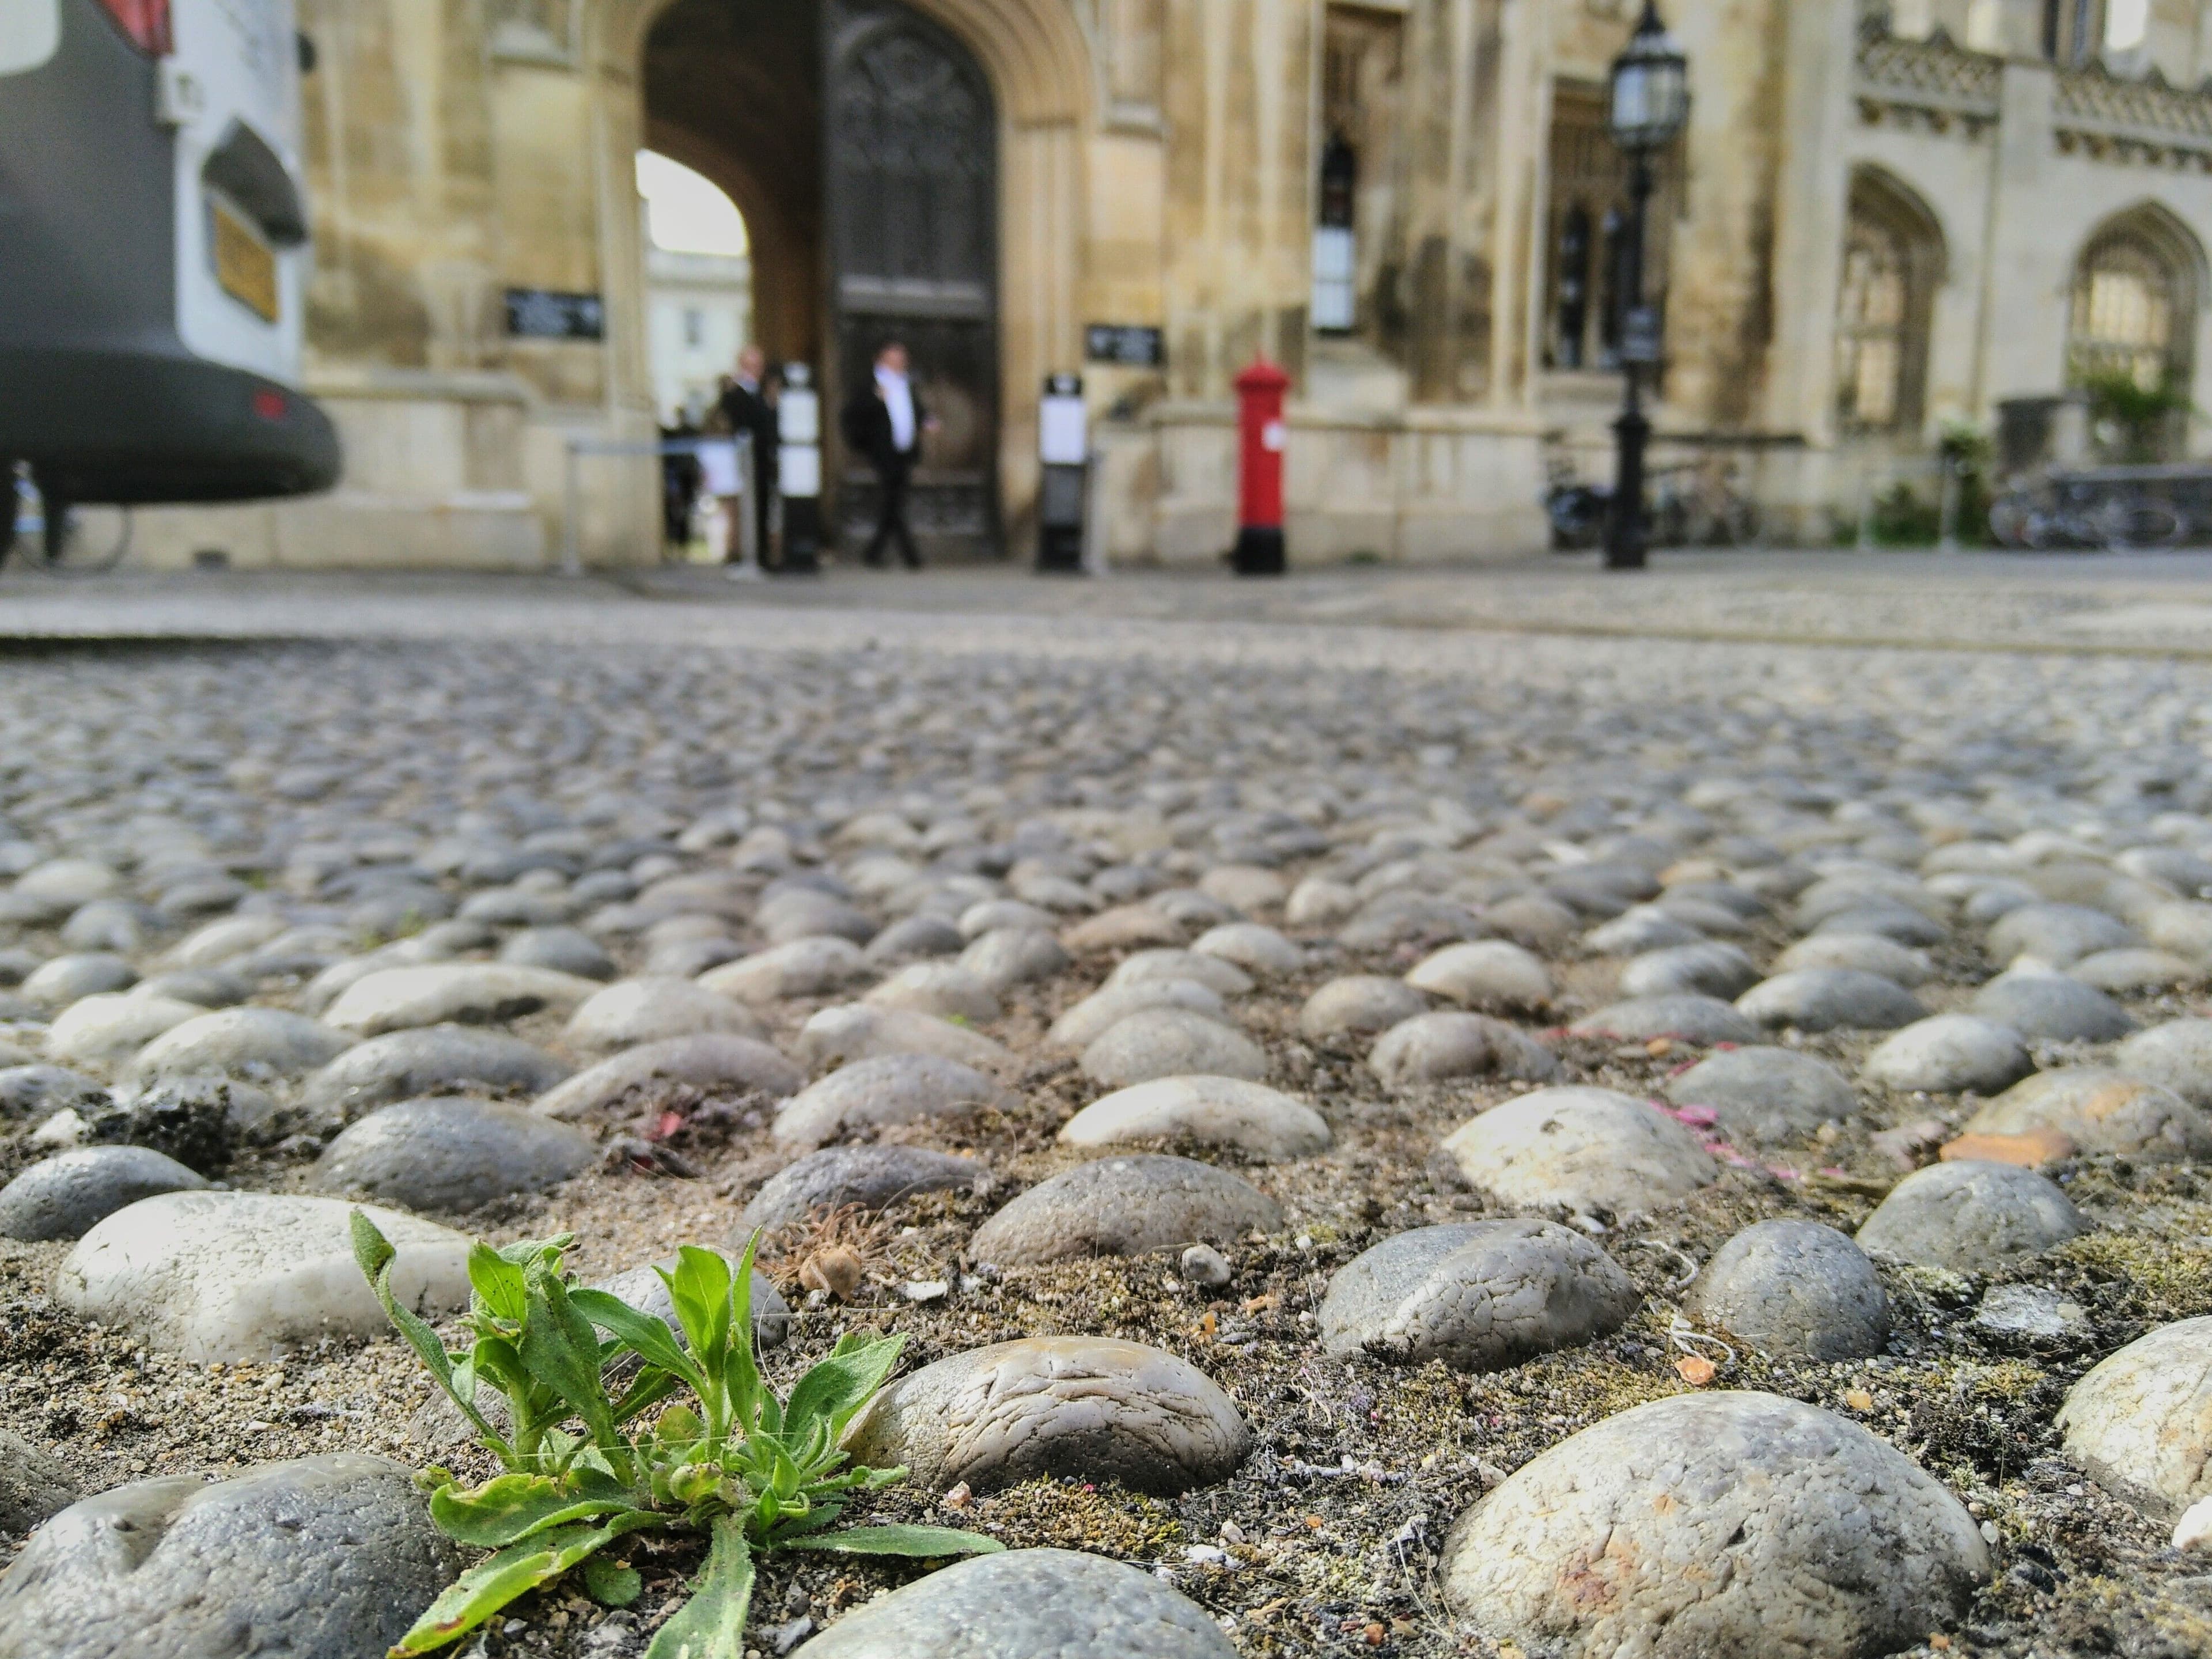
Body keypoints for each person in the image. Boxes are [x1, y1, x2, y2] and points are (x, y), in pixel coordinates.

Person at [841, 340, 935, 569]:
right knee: (894, 501)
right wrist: (876, 400)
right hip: (882, 453)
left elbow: (915, 410)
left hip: (905, 452)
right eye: (895, 358)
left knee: (893, 503)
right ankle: (910, 557)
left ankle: (874, 553)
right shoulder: (870, 384)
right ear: (882, 359)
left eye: (902, 359)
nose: (900, 363)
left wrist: (926, 421)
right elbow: (852, 415)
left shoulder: (906, 383)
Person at [717, 346, 779, 570]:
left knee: (762, 507)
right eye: (752, 365)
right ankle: (739, 554)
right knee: (739, 509)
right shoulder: (734, 393)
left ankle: (761, 554)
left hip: (762, 461)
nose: (757, 370)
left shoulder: (764, 392)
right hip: (742, 461)